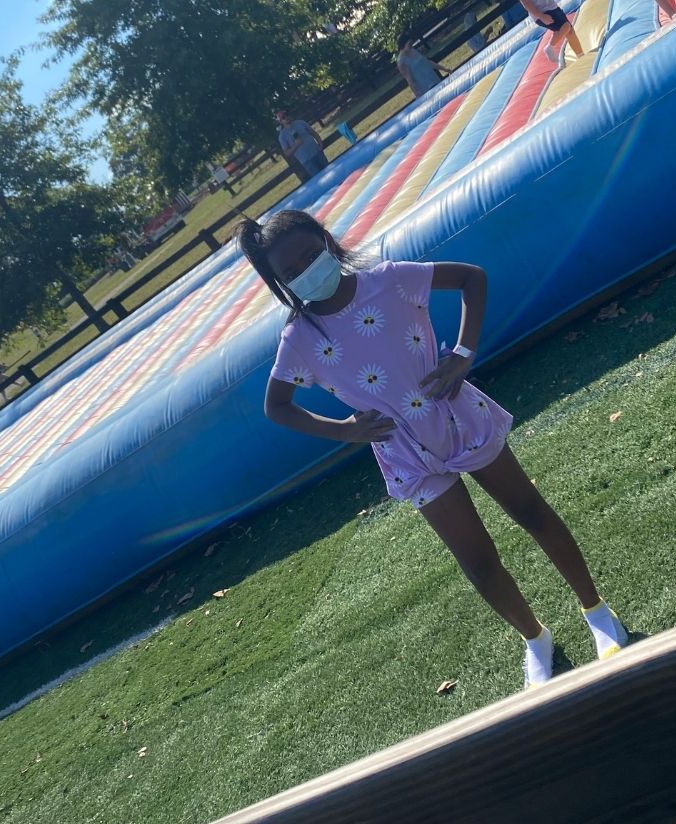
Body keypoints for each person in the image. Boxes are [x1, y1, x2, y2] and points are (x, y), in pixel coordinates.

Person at [235, 210, 629, 687]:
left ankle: (597, 611)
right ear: (280, 282)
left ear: (327, 241)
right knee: (477, 561)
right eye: (291, 270)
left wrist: (463, 353)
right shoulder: (299, 340)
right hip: (405, 453)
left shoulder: (390, 280)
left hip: (455, 416)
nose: (305, 270)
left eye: (309, 255)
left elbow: (471, 279)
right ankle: (535, 639)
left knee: (531, 512)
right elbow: (278, 406)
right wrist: (344, 431)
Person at [277, 111, 329, 179]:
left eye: (287, 115)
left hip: (317, 153)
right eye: (283, 117)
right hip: (306, 161)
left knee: (330, 171)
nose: (286, 117)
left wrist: (320, 145)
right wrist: (296, 145)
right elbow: (287, 153)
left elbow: (313, 133)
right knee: (320, 179)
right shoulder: (282, 136)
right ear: (281, 121)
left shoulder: (300, 123)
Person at [396, 34, 450, 98]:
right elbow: (410, 81)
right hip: (426, 91)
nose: (411, 45)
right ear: (403, 44)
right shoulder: (401, 61)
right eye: (409, 44)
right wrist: (419, 96)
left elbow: (427, 62)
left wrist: (444, 69)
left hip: (435, 80)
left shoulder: (413, 50)